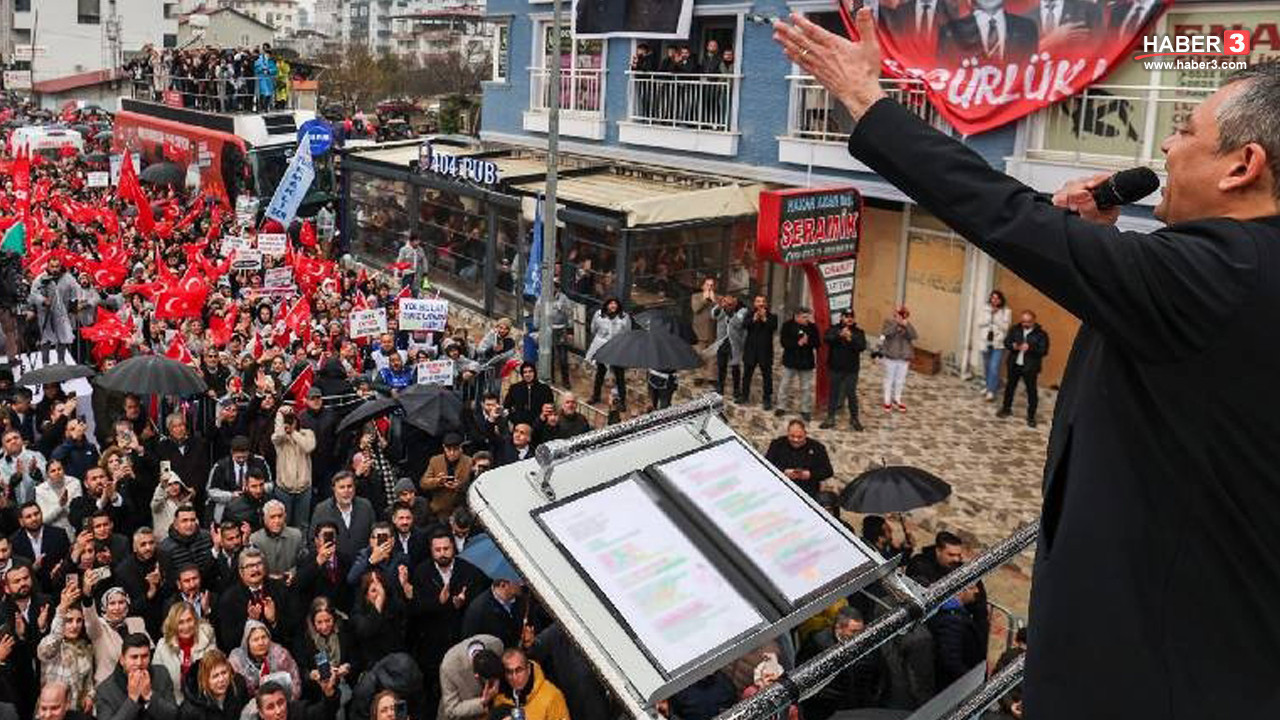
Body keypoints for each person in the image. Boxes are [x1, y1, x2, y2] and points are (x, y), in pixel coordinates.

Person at [783, 23, 1280, 712]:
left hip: (1149, 676)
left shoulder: (1225, 276)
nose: (1166, 146)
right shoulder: (1234, 277)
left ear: (1242, 165)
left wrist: (867, 100)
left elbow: (1006, 214)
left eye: (1184, 129)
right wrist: (1099, 250)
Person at [797, 607, 886, 718]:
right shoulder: (818, 643)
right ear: (839, 628)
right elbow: (803, 675)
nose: (859, 636)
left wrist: (873, 698)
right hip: (826, 709)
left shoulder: (868, 643)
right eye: (854, 631)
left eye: (861, 631)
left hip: (860, 707)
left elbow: (879, 672)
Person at [37, 583, 95, 714]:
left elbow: (89, 681)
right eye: (69, 620)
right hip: (50, 713)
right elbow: (49, 647)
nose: (75, 626)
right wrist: (62, 609)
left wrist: (90, 695)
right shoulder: (52, 645)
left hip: (75, 712)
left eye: (79, 620)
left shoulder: (86, 647)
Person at [94, 632, 180, 720]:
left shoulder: (161, 674)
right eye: (134, 657)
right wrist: (132, 700)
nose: (139, 663)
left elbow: (173, 716)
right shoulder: (105, 690)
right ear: (122, 660)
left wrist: (149, 695)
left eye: (144, 656)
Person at [153, 602, 216, 703]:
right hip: (172, 703)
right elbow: (157, 682)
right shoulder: (162, 645)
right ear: (173, 624)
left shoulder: (207, 639)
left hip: (202, 702)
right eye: (180, 622)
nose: (186, 626)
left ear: (195, 620)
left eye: (189, 620)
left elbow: (214, 675)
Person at [997, 310, 1049, 427]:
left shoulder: (1041, 334)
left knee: (1031, 391)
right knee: (1010, 388)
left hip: (1030, 367)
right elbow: (1007, 342)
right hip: (1014, 364)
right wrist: (1013, 346)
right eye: (1023, 321)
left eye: (1028, 322)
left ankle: (1031, 416)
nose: (1025, 324)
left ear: (1034, 321)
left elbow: (1044, 350)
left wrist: (1030, 348)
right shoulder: (1015, 329)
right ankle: (1006, 409)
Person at [229, 621, 302, 700]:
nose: (261, 643)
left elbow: (295, 681)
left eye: (264, 637)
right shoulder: (237, 660)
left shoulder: (280, 654)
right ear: (247, 643)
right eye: (256, 640)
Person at [310, 472, 376, 559]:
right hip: (334, 563)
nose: (346, 491)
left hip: (363, 562)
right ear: (334, 489)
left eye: (349, 486)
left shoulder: (366, 506)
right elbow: (312, 540)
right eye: (342, 487)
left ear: (354, 488)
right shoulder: (322, 510)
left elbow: (374, 535)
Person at [490, 648, 569, 720]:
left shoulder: (552, 696)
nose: (514, 677)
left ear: (528, 669)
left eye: (519, 670)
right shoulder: (500, 697)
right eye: (509, 672)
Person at [764, 419, 834, 499]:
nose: (795, 440)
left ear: (805, 434)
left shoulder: (817, 447)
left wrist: (810, 474)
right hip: (780, 489)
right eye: (792, 436)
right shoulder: (777, 444)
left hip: (807, 492)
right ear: (788, 433)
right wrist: (783, 472)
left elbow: (828, 471)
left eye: (799, 437)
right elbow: (766, 466)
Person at [271, 406, 316, 530]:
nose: (289, 423)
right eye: (286, 421)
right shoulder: (278, 439)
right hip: (284, 490)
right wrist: (279, 414)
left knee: (302, 526)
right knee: (283, 525)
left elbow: (308, 447)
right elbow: (279, 434)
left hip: (304, 489)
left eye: (291, 420)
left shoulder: (307, 433)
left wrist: (293, 432)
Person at [822, 309, 867, 431]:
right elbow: (827, 338)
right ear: (841, 317)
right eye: (846, 316)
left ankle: (854, 418)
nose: (849, 318)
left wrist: (850, 338)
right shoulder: (834, 329)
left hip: (851, 369)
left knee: (851, 394)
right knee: (833, 393)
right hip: (835, 367)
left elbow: (862, 347)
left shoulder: (859, 332)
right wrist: (839, 335)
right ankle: (830, 417)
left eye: (851, 316)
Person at [438, 638, 503, 720]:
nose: (495, 688)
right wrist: (482, 701)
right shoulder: (449, 667)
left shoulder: (497, 645)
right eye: (490, 681)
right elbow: (451, 710)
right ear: (476, 676)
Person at [177, 650, 251, 720]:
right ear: (205, 680)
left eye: (224, 672)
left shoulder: (239, 688)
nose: (221, 679)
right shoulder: (190, 710)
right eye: (215, 676)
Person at [776, 307, 820, 421]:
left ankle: (805, 410)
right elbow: (784, 342)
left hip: (806, 361)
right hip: (790, 360)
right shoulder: (787, 325)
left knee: (806, 387)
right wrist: (798, 343)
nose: (807, 319)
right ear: (796, 316)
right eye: (804, 317)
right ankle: (781, 406)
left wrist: (808, 341)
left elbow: (817, 343)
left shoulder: (812, 327)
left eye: (807, 317)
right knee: (785, 384)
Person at [584, 297, 629, 407]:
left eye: (615, 303)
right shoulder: (599, 315)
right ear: (606, 305)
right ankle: (596, 396)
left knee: (619, 376)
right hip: (602, 348)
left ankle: (622, 401)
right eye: (611, 303)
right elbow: (593, 329)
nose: (613, 306)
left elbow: (628, 333)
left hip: (617, 348)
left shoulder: (624, 317)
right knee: (600, 372)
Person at [249, 500, 303, 581]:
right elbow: (253, 568)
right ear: (265, 519)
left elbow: (303, 562)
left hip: (292, 582)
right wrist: (269, 577)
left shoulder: (296, 535)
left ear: (285, 516)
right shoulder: (255, 539)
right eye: (272, 517)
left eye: (280, 516)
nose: (277, 521)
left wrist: (293, 573)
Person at [973, 291, 1012, 401]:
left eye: (997, 298)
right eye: (992, 298)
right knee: (987, 366)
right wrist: (990, 315)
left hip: (998, 343)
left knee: (994, 367)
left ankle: (991, 391)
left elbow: (1006, 328)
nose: (994, 300)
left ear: (1001, 300)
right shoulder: (985, 308)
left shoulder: (1006, 311)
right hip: (985, 342)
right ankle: (988, 386)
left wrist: (996, 317)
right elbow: (979, 323)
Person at [741, 294, 778, 409]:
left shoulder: (772, 316)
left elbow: (773, 327)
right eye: (758, 301)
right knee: (747, 375)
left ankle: (767, 399)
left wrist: (764, 318)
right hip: (751, 350)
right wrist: (754, 319)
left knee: (767, 377)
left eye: (762, 301)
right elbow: (744, 325)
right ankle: (744, 396)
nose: (760, 304)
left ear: (766, 304)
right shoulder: (750, 314)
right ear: (755, 303)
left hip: (765, 351)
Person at [878, 306, 918, 412]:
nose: (901, 316)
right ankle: (887, 400)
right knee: (889, 379)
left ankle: (897, 399)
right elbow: (886, 333)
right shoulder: (888, 322)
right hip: (891, 355)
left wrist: (907, 325)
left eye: (902, 314)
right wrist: (896, 324)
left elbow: (914, 336)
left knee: (900, 380)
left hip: (904, 356)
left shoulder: (907, 324)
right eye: (899, 314)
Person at [711, 294, 747, 401]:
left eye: (730, 303)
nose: (728, 304)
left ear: (735, 301)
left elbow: (738, 323)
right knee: (721, 366)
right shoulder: (721, 309)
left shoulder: (741, 311)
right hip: (722, 343)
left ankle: (736, 391)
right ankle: (720, 388)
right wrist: (720, 305)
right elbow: (713, 315)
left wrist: (731, 309)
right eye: (726, 302)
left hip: (734, 343)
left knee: (735, 368)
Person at [502, 363, 553, 428]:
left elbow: (550, 406)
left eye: (530, 371)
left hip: (540, 425)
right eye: (525, 372)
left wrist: (542, 418)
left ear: (535, 373)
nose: (527, 374)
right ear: (522, 374)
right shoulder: (515, 388)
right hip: (519, 426)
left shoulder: (544, 389)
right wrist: (514, 418)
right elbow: (506, 406)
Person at [689, 277, 718, 385]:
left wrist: (714, 301)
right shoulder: (695, 296)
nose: (709, 287)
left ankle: (711, 377)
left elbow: (720, 312)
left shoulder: (718, 298)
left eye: (712, 285)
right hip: (699, 329)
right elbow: (695, 308)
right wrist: (705, 300)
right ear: (702, 286)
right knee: (699, 353)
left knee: (713, 356)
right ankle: (699, 376)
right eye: (707, 285)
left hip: (713, 330)